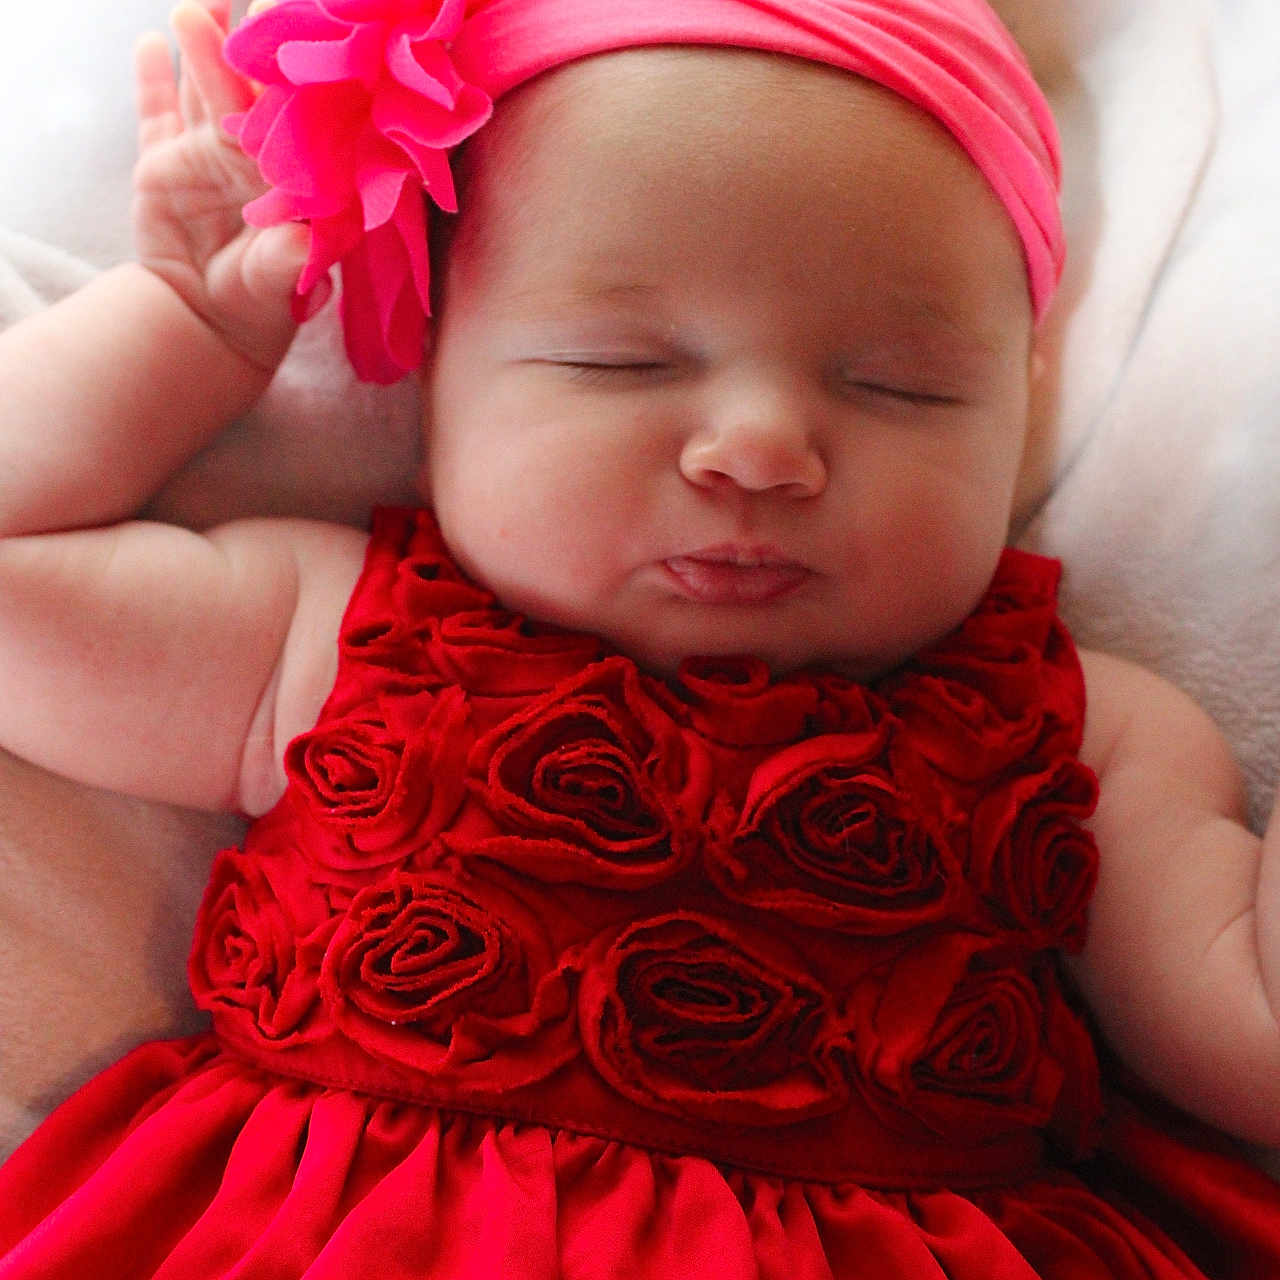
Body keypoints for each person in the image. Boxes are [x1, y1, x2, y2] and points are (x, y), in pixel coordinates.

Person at [0, 0, 1278, 1274]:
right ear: (436, 372)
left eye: (899, 384)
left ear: (1019, 397)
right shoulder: (335, 644)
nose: (760, 449)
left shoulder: (1073, 731)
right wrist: (187, 328)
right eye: (618, 362)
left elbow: (1249, 1033)